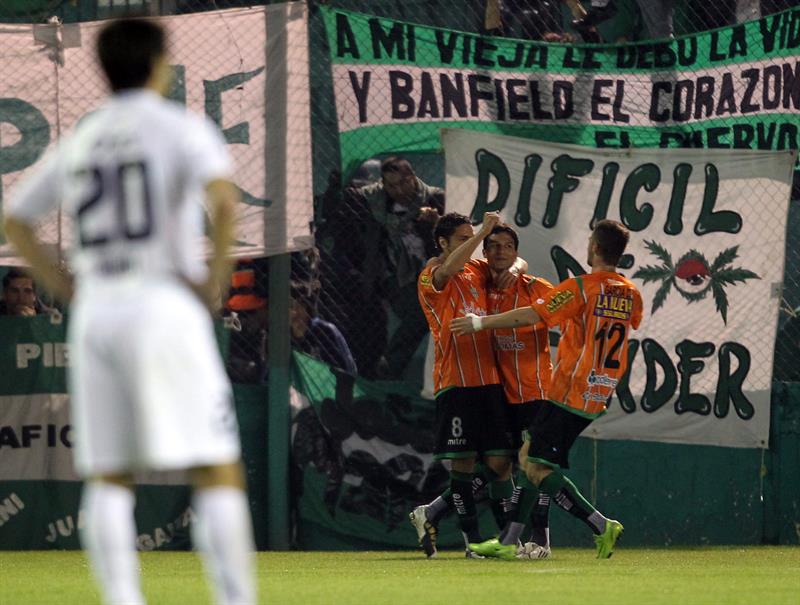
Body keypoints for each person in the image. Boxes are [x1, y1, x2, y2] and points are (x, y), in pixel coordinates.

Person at [3, 18, 255, 605]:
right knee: (215, 463)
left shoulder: (85, 139)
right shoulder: (180, 127)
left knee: (109, 477)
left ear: (103, 67)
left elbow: (15, 220)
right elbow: (223, 202)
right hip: (164, 303)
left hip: (99, 313)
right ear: (161, 63)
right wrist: (213, 277)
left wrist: (63, 284)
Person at [452, 219, 643, 560]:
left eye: (589, 241)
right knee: (529, 457)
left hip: (572, 388)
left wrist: (480, 322)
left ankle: (601, 524)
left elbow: (532, 315)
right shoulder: (630, 292)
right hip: (600, 390)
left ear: (595, 248)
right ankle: (511, 539)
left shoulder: (582, 287)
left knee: (536, 467)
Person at [409, 223, 553, 558]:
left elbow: (511, 262)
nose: (473, 246)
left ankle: (501, 539)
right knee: (464, 466)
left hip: (490, 383)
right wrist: (482, 232)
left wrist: (516, 264)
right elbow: (447, 270)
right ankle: (471, 543)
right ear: (443, 242)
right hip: (456, 383)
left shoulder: (478, 269)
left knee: (501, 464)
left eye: (473, 240)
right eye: (464, 239)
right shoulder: (431, 276)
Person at [337, 156, 444, 379]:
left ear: (413, 178)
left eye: (402, 183)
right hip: (399, 280)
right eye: (391, 185)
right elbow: (353, 195)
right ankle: (389, 367)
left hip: (437, 275)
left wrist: (435, 225)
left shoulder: (435, 199)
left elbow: (456, 237)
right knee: (424, 310)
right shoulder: (378, 203)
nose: (397, 191)